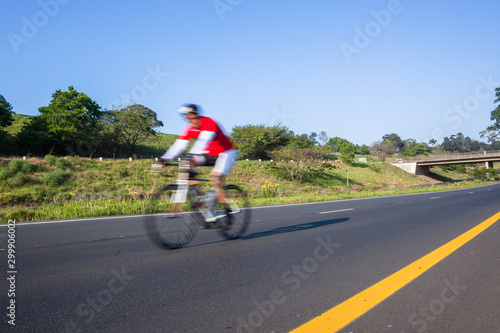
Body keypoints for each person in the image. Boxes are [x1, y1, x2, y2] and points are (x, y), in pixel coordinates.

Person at [160, 104, 238, 220]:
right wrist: (164, 159)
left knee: (215, 179)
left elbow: (204, 140)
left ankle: (228, 206)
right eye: (189, 119)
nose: (192, 121)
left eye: (194, 118)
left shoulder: (209, 122)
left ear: (197, 115)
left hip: (226, 153)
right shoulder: (190, 129)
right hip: (209, 153)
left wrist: (192, 154)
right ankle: (199, 198)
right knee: (187, 165)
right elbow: (178, 145)